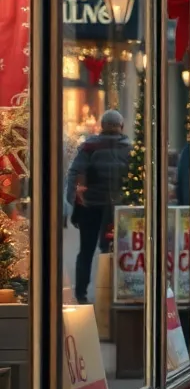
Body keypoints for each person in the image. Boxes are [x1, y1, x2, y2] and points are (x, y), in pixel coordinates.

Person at [64, 109, 133, 304]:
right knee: (111, 250)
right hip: (115, 209)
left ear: (101, 126)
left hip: (90, 206)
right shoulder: (128, 148)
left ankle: (81, 293)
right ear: (120, 126)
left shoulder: (89, 146)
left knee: (86, 250)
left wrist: (74, 199)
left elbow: (74, 172)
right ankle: (111, 291)